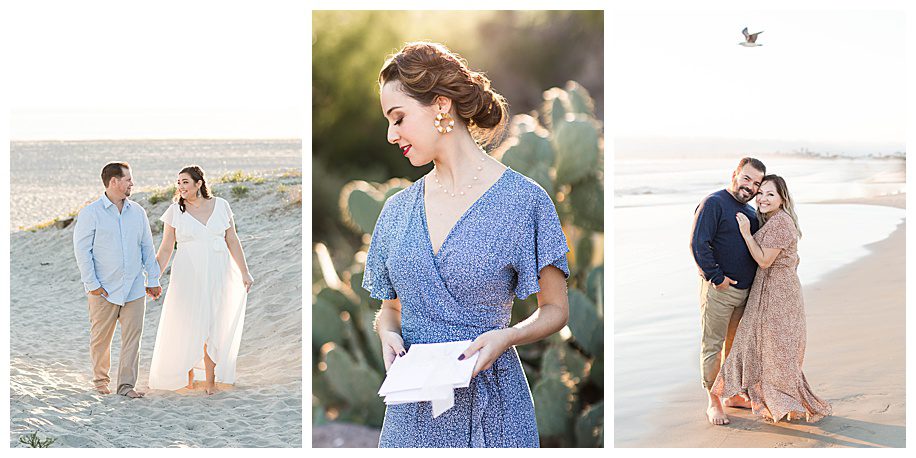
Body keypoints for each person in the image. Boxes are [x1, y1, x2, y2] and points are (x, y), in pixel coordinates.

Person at [363, 42, 570, 448]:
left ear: (441, 105)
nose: (391, 135)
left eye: (399, 118)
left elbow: (556, 309)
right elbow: (389, 309)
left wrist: (505, 337)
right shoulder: (396, 211)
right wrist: (387, 333)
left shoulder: (525, 201)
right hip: (412, 408)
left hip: (493, 407)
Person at [710, 175, 831, 423]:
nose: (763, 199)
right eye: (761, 193)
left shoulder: (782, 223)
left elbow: (765, 260)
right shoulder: (771, 220)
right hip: (766, 289)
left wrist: (745, 233)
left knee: (778, 350)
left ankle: (784, 401)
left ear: (782, 198)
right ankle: (763, 398)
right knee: (760, 345)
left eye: (770, 194)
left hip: (779, 294)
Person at [148, 165, 254, 395]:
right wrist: (153, 277)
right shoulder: (175, 212)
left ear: (199, 184)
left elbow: (232, 240)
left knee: (213, 323)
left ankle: (210, 381)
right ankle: (186, 379)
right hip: (188, 273)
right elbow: (166, 248)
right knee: (187, 321)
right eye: (178, 182)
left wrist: (244, 272)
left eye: (185, 182)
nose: (180, 187)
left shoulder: (222, 205)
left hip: (219, 271)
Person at [73, 162, 162, 398]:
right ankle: (101, 382)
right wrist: (92, 285)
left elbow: (146, 247)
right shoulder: (90, 213)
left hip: (134, 287)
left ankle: (125, 386)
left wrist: (153, 279)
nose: (132, 183)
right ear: (114, 182)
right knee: (101, 338)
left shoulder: (138, 212)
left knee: (133, 338)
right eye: (128, 179)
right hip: (103, 289)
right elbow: (83, 252)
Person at [689, 157, 766, 425]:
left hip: (745, 293)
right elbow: (699, 243)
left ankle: (731, 395)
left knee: (733, 348)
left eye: (756, 183)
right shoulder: (713, 203)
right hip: (719, 291)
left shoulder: (752, 214)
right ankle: (713, 402)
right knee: (713, 346)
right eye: (747, 178)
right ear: (735, 174)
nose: (750, 186)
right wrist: (716, 278)